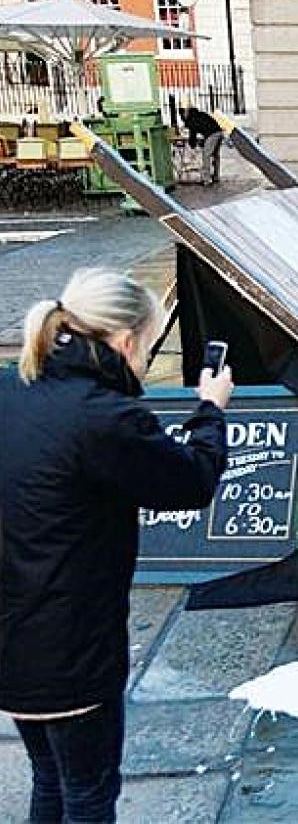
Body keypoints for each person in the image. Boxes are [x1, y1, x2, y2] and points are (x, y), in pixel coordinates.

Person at [0, 268, 232, 823]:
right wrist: (212, 409)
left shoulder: (12, 388)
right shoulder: (105, 417)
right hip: (74, 649)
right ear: (127, 341)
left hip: (12, 638)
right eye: (149, 346)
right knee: (88, 794)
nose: (147, 360)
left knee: (52, 780)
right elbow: (192, 481)